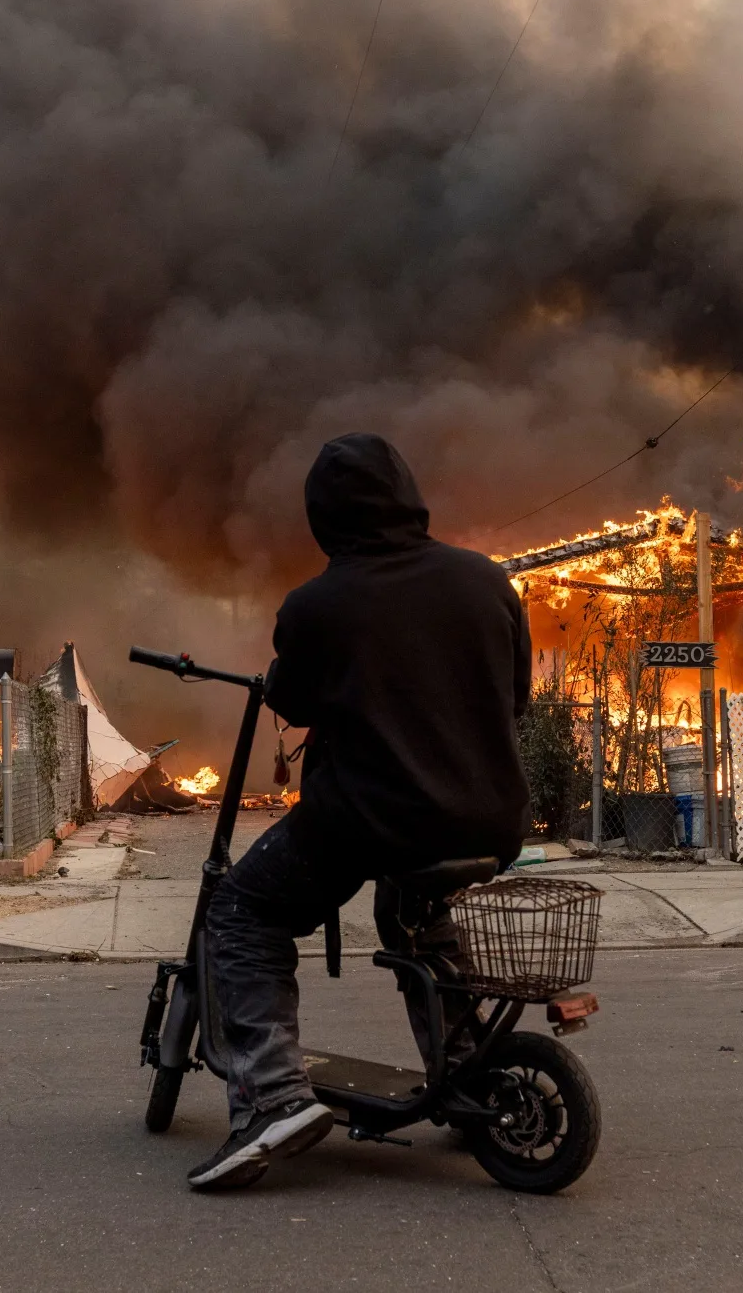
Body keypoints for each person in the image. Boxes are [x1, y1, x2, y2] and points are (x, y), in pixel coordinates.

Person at [186, 432, 532, 1191]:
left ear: (323, 519)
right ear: (409, 494)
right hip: (490, 818)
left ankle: (272, 1097)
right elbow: (517, 699)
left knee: (241, 913)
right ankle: (470, 1075)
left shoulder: (318, 605)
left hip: (373, 818)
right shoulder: (486, 580)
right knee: (414, 917)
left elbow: (296, 699)